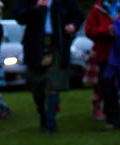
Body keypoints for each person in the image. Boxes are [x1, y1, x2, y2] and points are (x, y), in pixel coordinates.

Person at [14, 0, 84, 135]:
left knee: (53, 85)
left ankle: (50, 124)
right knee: (37, 86)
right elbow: (19, 17)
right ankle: (43, 115)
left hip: (57, 45)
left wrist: (72, 25)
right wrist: (36, 7)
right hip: (35, 47)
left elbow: (78, 16)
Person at [85, 0, 120, 129]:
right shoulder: (98, 8)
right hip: (105, 54)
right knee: (107, 86)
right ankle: (113, 120)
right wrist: (106, 30)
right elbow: (89, 30)